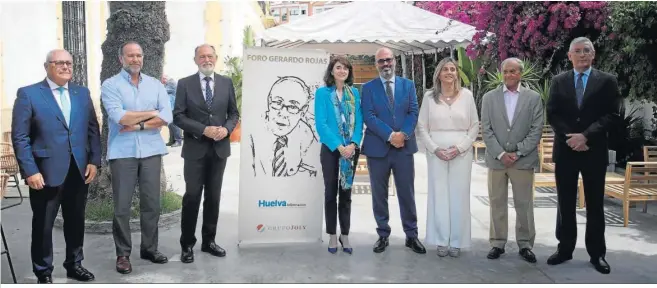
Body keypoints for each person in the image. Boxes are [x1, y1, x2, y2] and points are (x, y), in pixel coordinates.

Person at [11, 49, 101, 283]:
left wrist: (94, 161)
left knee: (76, 221)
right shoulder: (29, 94)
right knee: (43, 224)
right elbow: (21, 137)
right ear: (47, 66)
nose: (65, 67)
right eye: (59, 63)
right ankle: (43, 271)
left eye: (69, 63)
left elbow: (93, 129)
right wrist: (30, 170)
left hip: (79, 170)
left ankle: (74, 264)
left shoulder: (82, 93)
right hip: (45, 172)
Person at [546, 37, 622, 274]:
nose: (581, 55)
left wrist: (586, 136)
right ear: (569, 56)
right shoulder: (559, 81)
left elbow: (613, 114)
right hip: (567, 150)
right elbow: (552, 113)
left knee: (595, 204)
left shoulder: (607, 81)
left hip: (594, 151)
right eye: (576, 51)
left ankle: (597, 253)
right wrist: (572, 137)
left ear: (593, 54)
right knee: (565, 203)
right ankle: (565, 248)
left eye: (585, 51)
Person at [101, 41, 173, 274]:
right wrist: (153, 113)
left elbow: (168, 116)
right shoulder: (110, 85)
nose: (135, 59)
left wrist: (139, 125)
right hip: (123, 152)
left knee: (151, 204)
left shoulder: (155, 84)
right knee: (122, 207)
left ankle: (149, 248)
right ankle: (123, 254)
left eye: (138, 55)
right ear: (121, 59)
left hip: (151, 150)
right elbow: (119, 117)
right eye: (130, 55)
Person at [173, 44, 239, 263]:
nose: (206, 59)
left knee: (214, 197)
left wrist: (226, 129)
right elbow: (179, 117)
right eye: (202, 56)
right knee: (192, 197)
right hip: (195, 150)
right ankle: (187, 245)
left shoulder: (226, 83)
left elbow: (233, 113)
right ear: (195, 60)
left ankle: (209, 241)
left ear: (216, 58)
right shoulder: (184, 84)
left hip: (219, 150)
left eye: (210, 56)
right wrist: (203, 129)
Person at [361, 47, 425, 254]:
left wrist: (402, 135)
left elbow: (413, 111)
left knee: (407, 193)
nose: (385, 64)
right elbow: (369, 116)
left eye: (388, 60)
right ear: (376, 64)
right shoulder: (369, 88)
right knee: (379, 195)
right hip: (378, 149)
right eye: (381, 61)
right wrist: (390, 136)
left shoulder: (408, 85)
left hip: (403, 148)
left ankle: (411, 235)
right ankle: (382, 234)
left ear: (394, 61)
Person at [480, 57, 543, 263]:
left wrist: (518, 152)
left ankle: (525, 244)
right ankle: (497, 243)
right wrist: (500, 153)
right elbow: (486, 129)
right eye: (505, 71)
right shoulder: (489, 98)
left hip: (523, 161)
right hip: (496, 161)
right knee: (497, 202)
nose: (509, 75)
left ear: (520, 74)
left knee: (523, 204)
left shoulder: (533, 98)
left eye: (513, 71)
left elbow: (536, 130)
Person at [415, 57, 478, 257]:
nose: (449, 72)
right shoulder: (428, 97)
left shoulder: (467, 96)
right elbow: (422, 126)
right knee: (439, 195)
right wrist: (435, 149)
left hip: (461, 153)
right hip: (436, 154)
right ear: (439, 74)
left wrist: (459, 148)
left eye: (453, 69)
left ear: (456, 73)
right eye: (445, 69)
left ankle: (457, 241)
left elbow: (475, 125)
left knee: (459, 196)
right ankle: (441, 240)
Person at [314, 56, 363, 254]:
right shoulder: (322, 94)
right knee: (330, 193)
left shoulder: (355, 94)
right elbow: (321, 124)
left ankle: (345, 234)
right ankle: (332, 235)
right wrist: (338, 146)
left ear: (349, 72)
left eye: (346, 68)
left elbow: (360, 121)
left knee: (346, 193)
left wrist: (353, 144)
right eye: (338, 67)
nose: (342, 71)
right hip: (331, 150)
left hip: (351, 151)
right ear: (332, 71)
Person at [249, 76, 318, 178]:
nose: (283, 113)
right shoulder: (252, 132)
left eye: (293, 107)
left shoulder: (308, 136)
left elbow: (312, 174)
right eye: (277, 103)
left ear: (303, 111)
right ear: (269, 102)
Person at [162, 74, 182, 147]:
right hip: (169, 107)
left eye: (162, 80)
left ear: (165, 78)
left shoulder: (171, 82)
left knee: (174, 124)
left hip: (173, 107)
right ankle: (171, 140)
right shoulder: (167, 83)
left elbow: (163, 91)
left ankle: (178, 140)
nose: (162, 82)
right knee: (170, 124)